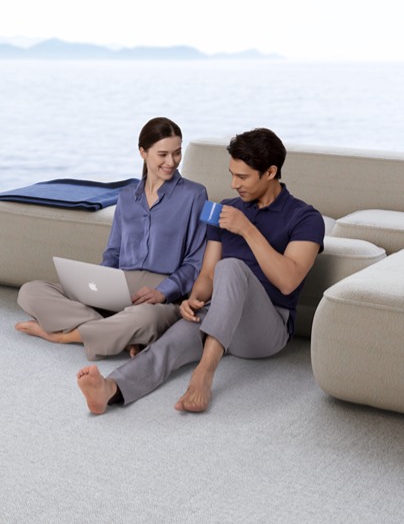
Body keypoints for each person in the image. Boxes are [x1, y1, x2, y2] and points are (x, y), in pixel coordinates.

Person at [77, 128, 324, 414]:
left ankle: (204, 374)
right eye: (231, 174)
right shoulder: (223, 210)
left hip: (266, 328)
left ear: (270, 172)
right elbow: (206, 275)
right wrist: (193, 298)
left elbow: (288, 281)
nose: (233, 185)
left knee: (231, 267)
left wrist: (246, 228)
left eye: (242, 177)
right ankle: (110, 390)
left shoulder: (306, 218)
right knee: (167, 345)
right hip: (216, 311)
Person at [15, 117, 208, 360]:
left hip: (161, 294)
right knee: (31, 291)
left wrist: (163, 291)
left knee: (145, 319)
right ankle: (117, 330)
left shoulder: (194, 195)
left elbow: (195, 262)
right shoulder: (127, 196)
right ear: (143, 152)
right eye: (163, 154)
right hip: (118, 286)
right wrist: (96, 285)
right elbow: (113, 252)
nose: (172, 162)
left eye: (177, 153)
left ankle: (67, 335)